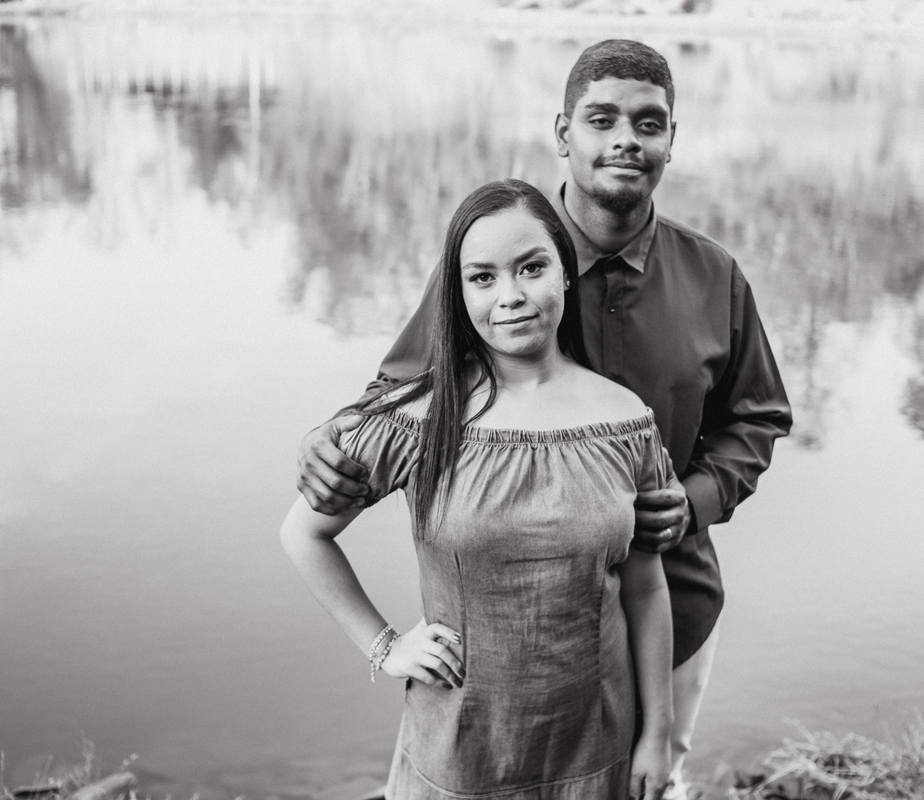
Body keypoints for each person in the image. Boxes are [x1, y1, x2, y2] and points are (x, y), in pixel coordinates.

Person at [297, 40, 793, 798]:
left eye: (649, 123)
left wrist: (692, 501)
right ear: (563, 133)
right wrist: (325, 439)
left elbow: (757, 417)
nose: (625, 140)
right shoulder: (498, 257)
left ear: (672, 140)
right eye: (601, 119)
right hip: (513, 644)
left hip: (670, 598)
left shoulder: (713, 276)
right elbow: (398, 395)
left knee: (650, 781)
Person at [281, 179, 677, 800]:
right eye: (483, 278)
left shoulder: (625, 419)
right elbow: (304, 534)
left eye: (531, 268)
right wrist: (386, 646)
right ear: (459, 293)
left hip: (597, 745)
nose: (510, 296)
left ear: (564, 273)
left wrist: (658, 732)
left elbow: (646, 588)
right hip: (460, 753)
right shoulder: (419, 417)